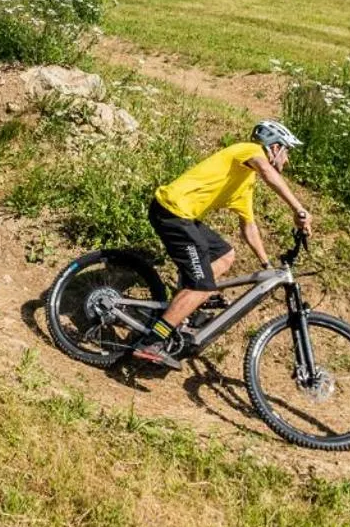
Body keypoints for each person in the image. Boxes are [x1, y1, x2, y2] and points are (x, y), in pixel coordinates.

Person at [133, 121, 313, 369]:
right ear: (274, 148)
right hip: (173, 212)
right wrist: (298, 208)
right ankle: (152, 341)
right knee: (203, 285)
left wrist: (267, 264)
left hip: (183, 216)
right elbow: (269, 174)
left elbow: (249, 227)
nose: (288, 160)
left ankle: (186, 306)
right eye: (287, 151)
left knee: (225, 255)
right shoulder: (249, 150)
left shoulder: (245, 181)